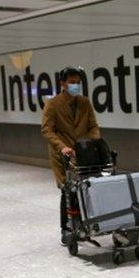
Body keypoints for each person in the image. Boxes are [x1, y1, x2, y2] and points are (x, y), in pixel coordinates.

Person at [40, 66, 101, 245]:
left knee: (85, 189)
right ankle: (66, 229)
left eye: (78, 83)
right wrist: (63, 147)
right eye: (72, 82)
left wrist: (89, 142)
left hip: (83, 155)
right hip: (63, 156)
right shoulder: (52, 104)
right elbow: (46, 130)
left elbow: (93, 126)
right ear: (62, 84)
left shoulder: (84, 102)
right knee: (67, 191)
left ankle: (84, 226)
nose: (75, 86)